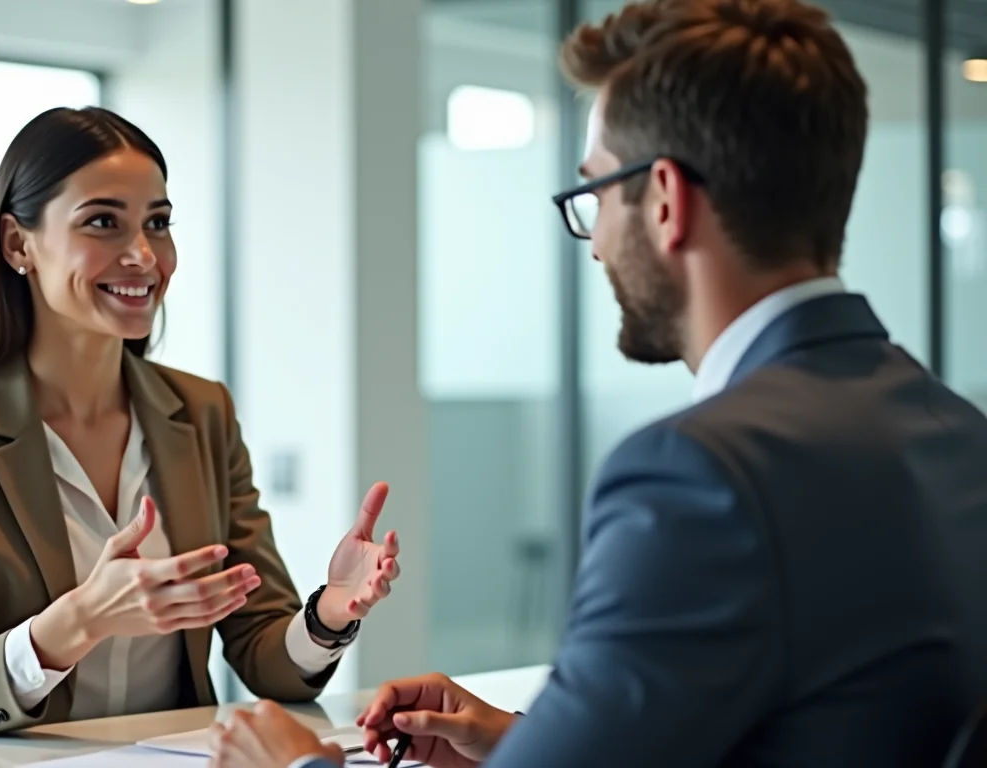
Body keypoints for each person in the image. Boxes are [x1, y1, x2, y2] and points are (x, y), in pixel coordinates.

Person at [207, 0, 987, 766]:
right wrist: (525, 742)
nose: (596, 247)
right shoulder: (956, 431)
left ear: (666, 203)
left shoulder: (703, 474)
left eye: (596, 197)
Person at [0, 106, 402, 741]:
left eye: (158, 223)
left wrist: (327, 616)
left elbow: (264, 654)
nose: (144, 255)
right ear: (19, 244)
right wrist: (81, 619)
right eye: (102, 222)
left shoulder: (202, 413)